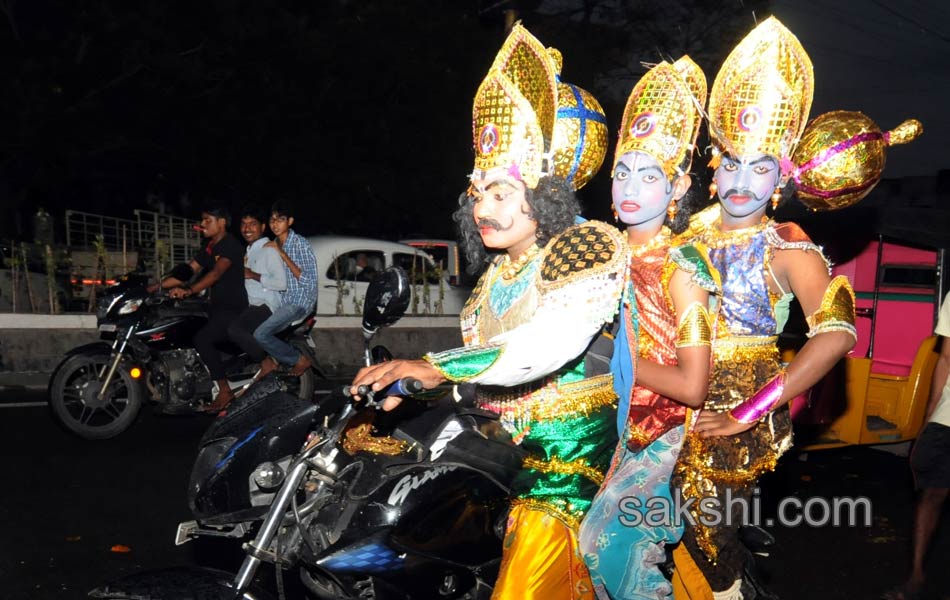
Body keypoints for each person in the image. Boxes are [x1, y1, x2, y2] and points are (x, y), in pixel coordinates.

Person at [350, 24, 624, 600]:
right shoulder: (491, 280)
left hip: (566, 455)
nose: (481, 207)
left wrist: (433, 366)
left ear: (544, 194)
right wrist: (412, 387)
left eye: (500, 192)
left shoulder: (587, 246)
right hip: (496, 440)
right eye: (476, 192)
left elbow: (546, 345)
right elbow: (480, 381)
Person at [669, 18, 859, 600]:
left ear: (781, 174)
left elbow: (837, 334)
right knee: (654, 552)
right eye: (730, 162)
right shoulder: (685, 234)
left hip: (728, 421)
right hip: (660, 408)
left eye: (759, 165)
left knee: (711, 554)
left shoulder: (786, 243)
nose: (741, 180)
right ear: (712, 166)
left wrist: (750, 411)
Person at [578, 57, 717, 600]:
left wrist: (627, 357)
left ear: (679, 185)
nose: (631, 186)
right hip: (614, 427)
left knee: (608, 543)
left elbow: (692, 386)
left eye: (650, 174)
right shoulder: (603, 256)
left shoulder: (685, 266)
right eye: (622, 172)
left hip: (662, 434)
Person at [882, 291, 950, 600]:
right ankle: (917, 577)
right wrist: (930, 414)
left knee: (932, 496)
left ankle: (918, 578)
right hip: (946, 419)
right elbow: (945, 358)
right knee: (931, 494)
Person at [155, 205, 248, 409]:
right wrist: (154, 286)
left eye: (208, 220)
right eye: (202, 220)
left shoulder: (230, 245)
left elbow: (215, 273)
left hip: (232, 309)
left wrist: (189, 290)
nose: (202, 224)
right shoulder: (210, 246)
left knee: (202, 339)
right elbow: (189, 270)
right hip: (215, 307)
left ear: (222, 222)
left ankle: (224, 391)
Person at [225, 206, 287, 397]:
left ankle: (266, 362)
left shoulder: (268, 250)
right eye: (243, 224)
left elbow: (281, 282)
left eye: (252, 224)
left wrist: (253, 275)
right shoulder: (249, 251)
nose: (247, 228)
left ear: (262, 227)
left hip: (267, 305)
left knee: (236, 329)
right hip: (251, 305)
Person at [253, 200, 318, 379]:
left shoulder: (300, 244)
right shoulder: (273, 243)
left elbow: (309, 281)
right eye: (272, 219)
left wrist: (282, 254)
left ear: (289, 221)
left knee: (261, 334)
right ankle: (266, 364)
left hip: (299, 303)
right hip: (281, 302)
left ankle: (299, 359)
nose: (275, 224)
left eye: (280, 219)